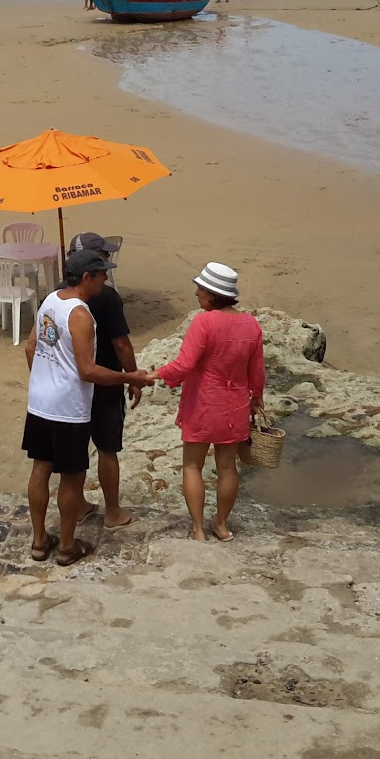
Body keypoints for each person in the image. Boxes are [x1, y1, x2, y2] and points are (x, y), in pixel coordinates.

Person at [21, 248, 150, 566]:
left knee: (41, 468)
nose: (106, 279)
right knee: (72, 477)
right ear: (87, 277)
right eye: (102, 273)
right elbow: (87, 371)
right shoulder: (80, 314)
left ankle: (39, 542)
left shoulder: (50, 301)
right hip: (67, 408)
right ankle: (66, 546)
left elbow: (31, 347)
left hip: (40, 403)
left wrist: (44, 380)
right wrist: (129, 376)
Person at [153, 262, 264, 543]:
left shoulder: (204, 321)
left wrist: (154, 375)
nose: (197, 294)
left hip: (203, 402)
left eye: (200, 289)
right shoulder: (250, 323)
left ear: (212, 294)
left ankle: (198, 529)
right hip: (235, 404)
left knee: (192, 465)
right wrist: (257, 399)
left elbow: (184, 364)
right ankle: (222, 525)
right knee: (227, 467)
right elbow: (257, 371)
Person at [76, 233, 141, 529]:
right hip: (105, 381)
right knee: (107, 449)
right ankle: (112, 511)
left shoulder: (57, 295)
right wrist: (133, 377)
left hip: (74, 384)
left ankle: (77, 504)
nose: (107, 262)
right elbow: (121, 344)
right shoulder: (107, 297)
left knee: (76, 448)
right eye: (103, 256)